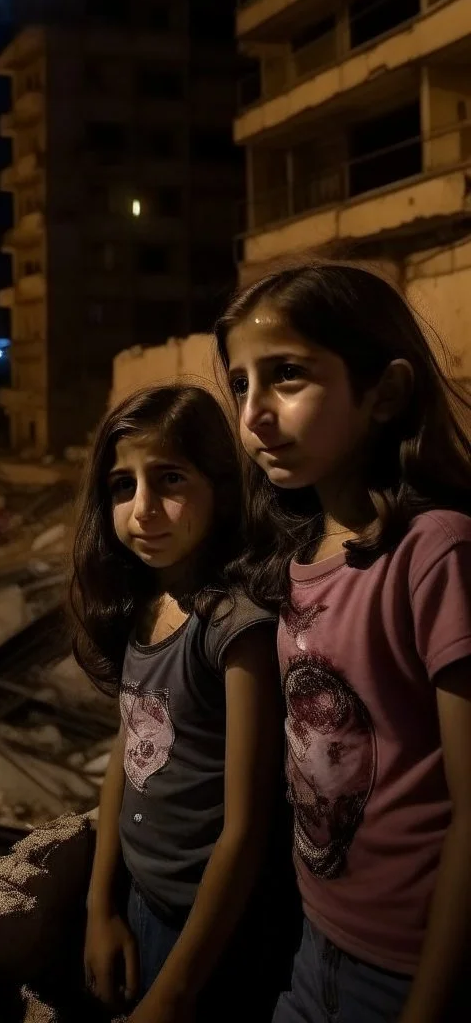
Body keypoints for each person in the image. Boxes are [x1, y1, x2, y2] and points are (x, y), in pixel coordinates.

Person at [217, 261, 471, 1023]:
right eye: (239, 385)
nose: (255, 412)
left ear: (385, 393)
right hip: (315, 942)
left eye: (287, 376)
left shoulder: (435, 555)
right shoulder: (293, 560)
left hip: (414, 969)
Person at [71, 384, 294, 1023]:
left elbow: (246, 828)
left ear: (220, 487)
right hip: (145, 902)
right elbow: (129, 749)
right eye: (121, 486)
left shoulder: (233, 627)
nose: (143, 509)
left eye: (169, 479)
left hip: (215, 928)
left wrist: (173, 993)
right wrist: (102, 906)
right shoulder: (147, 607)